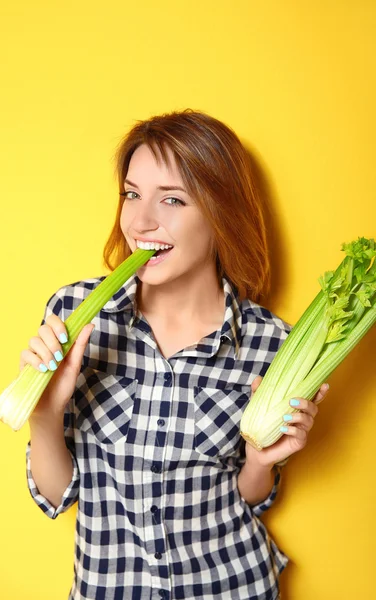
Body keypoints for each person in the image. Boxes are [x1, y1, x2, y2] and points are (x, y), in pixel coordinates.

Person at [23, 109, 329, 600]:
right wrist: (44, 413)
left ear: (220, 213)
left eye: (172, 199)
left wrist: (259, 461)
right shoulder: (76, 315)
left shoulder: (274, 345)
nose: (140, 221)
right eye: (131, 194)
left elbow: (250, 497)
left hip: (232, 586)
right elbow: (59, 496)